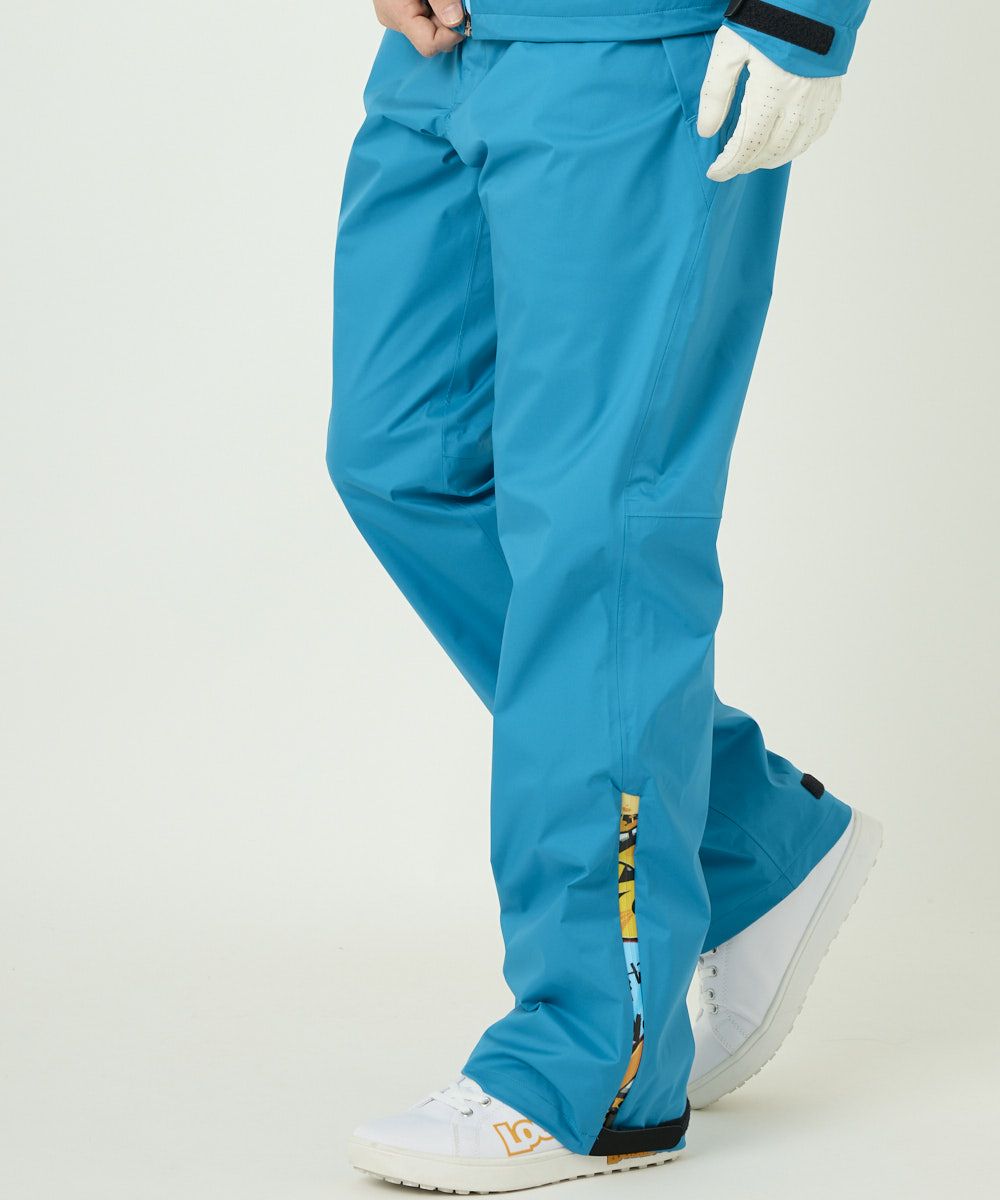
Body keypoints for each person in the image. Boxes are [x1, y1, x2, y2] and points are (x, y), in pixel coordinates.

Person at [328, 0, 881, 1191]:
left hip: (638, 51)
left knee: (597, 535)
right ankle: (745, 838)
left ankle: (595, 1064)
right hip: (446, 49)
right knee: (400, 463)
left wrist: (803, 15)